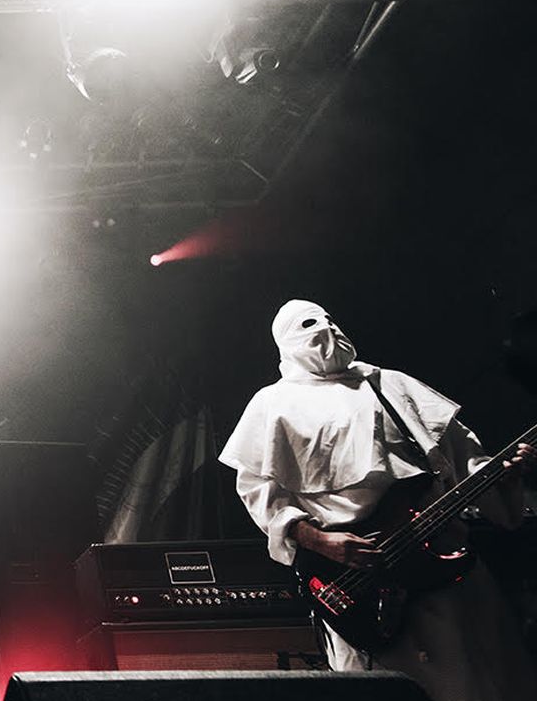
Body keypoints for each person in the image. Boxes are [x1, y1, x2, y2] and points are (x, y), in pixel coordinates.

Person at [220, 298, 535, 701]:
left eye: (332, 319)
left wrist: (506, 475)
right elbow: (261, 495)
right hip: (362, 582)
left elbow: (467, 460)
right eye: (310, 324)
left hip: (447, 573)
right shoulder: (271, 405)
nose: (327, 328)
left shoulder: (393, 386)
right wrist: (321, 541)